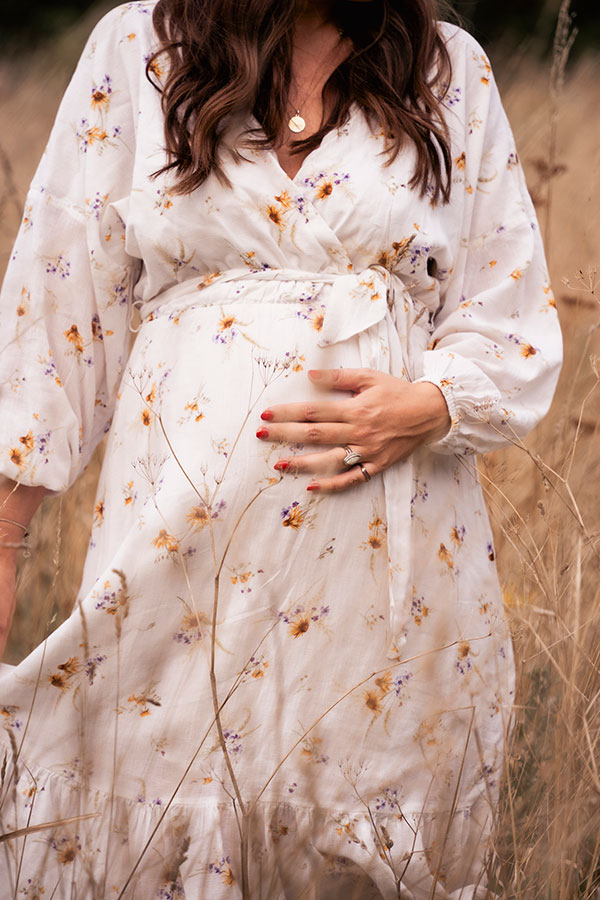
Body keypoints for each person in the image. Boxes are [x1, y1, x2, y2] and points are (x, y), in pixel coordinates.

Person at [0, 0, 562, 896]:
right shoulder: (140, 47)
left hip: (389, 577)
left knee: (364, 828)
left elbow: (507, 310)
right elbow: (58, 310)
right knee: (149, 810)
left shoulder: (448, 68)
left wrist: (428, 403)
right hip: (176, 549)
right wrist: (7, 533)